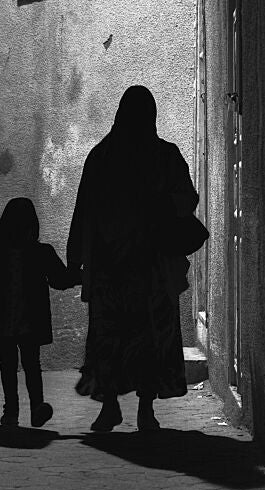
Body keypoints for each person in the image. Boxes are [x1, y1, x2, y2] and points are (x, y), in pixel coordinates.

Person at [67, 84, 207, 433]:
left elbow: (84, 211)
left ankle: (111, 407)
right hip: (152, 270)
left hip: (110, 270)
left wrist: (75, 259)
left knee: (110, 337)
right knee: (149, 338)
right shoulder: (165, 157)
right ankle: (145, 410)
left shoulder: (101, 157)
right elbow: (187, 200)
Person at [0, 198, 76, 429]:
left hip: (4, 320)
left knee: (8, 365)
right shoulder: (41, 252)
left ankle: (11, 412)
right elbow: (59, 279)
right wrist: (81, 275)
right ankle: (35, 407)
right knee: (31, 364)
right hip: (30, 321)